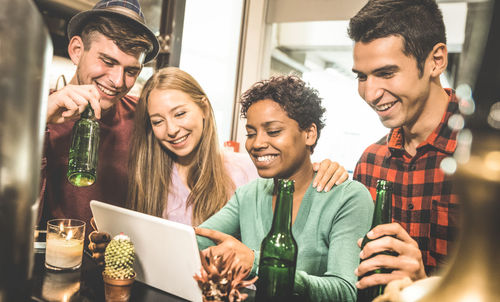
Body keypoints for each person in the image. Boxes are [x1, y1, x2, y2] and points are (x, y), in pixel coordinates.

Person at [88, 67, 350, 264]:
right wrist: (119, 249)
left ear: (203, 108)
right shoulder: (148, 175)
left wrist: (324, 166)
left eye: (180, 113)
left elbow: (293, 174)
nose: (171, 130)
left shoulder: (245, 170)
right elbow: (168, 249)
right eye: (158, 121)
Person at [195, 75, 374, 301]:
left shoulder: (348, 198)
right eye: (251, 133)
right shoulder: (248, 195)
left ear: (309, 133)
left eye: (273, 131)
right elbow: (197, 242)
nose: (256, 143)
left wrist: (257, 263)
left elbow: (344, 291)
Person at [348, 0, 460, 291]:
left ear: (436, 60)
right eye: (362, 76)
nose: (370, 93)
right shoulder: (370, 161)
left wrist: (425, 287)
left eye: (386, 73)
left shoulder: (487, 158)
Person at [39, 0, 159, 228]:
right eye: (108, 61)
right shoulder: (34, 108)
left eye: (131, 71)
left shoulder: (143, 117)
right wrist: (38, 120)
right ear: (76, 50)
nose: (118, 82)